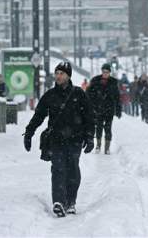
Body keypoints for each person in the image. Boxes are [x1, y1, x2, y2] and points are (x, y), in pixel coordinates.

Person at [23, 61, 95, 217]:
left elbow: (89, 117)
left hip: (75, 140)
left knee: (72, 170)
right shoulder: (50, 95)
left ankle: (71, 202)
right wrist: (29, 133)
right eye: (57, 73)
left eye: (61, 73)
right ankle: (59, 202)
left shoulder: (78, 94)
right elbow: (38, 116)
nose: (58, 76)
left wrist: (90, 137)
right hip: (56, 140)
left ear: (68, 76)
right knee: (58, 170)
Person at [86, 63, 121, 154]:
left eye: (107, 72)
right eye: (104, 71)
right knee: (99, 127)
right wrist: (90, 106)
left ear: (109, 72)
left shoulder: (114, 82)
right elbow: (88, 94)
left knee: (108, 128)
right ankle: (98, 145)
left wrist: (118, 109)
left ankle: (107, 148)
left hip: (109, 109)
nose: (105, 73)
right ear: (102, 71)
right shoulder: (95, 80)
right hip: (98, 109)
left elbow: (117, 97)